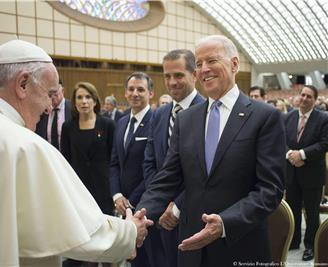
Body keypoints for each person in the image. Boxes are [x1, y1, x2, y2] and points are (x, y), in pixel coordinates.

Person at [0, 40, 152, 267]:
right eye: (49, 94)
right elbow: (73, 230)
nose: (49, 107)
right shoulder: (23, 145)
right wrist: (130, 231)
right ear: (23, 84)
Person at [136, 35, 286, 266]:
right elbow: (167, 177)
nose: (204, 69)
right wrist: (140, 216)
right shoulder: (186, 119)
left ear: (234, 64)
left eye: (212, 61)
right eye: (198, 64)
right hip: (190, 247)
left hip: (241, 245)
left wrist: (225, 223)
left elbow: (270, 190)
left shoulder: (265, 117)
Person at [143, 49, 205, 267]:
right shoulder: (159, 114)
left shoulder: (209, 112)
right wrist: (160, 201)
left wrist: (177, 204)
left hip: (194, 214)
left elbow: (206, 170)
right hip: (161, 215)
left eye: (178, 75)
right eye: (167, 76)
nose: (172, 82)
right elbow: (150, 162)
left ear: (194, 74)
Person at [110, 72, 162, 267]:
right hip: (123, 204)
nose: (135, 93)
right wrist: (116, 195)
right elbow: (114, 162)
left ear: (151, 93)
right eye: (131, 89)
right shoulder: (121, 122)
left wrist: (132, 199)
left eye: (141, 89)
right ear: (125, 93)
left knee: (150, 259)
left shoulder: (157, 121)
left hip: (147, 204)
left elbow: (155, 167)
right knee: (132, 259)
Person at [61, 82, 116, 267]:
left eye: (88, 97)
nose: (84, 101)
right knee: (86, 235)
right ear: (74, 102)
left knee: (107, 235)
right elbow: (66, 160)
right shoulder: (68, 127)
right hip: (79, 189)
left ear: (95, 101)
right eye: (79, 97)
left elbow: (113, 159)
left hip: (103, 187)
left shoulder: (107, 124)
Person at [284, 85, 328, 261]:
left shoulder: (323, 118)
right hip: (291, 173)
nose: (304, 98)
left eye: (309, 96)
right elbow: (279, 139)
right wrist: (290, 154)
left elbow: (325, 143)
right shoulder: (288, 117)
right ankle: (293, 241)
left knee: (312, 212)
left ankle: (311, 245)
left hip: (312, 174)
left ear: (315, 100)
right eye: (302, 95)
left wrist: (302, 154)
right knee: (292, 210)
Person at [35, 78, 71, 150]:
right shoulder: (42, 110)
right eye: (50, 91)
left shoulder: (73, 109)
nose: (52, 94)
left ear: (62, 91)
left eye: (55, 90)